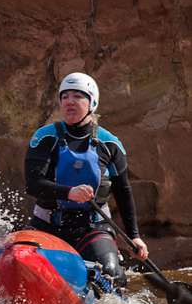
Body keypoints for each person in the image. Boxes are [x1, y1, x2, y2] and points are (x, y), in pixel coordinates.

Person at [24, 72, 149, 292]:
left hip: (91, 228)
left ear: (92, 102)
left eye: (78, 96)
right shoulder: (44, 138)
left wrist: (134, 237)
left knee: (110, 272)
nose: (70, 101)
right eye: (65, 97)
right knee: (21, 261)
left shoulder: (110, 143)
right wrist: (69, 192)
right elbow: (33, 184)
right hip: (47, 227)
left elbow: (123, 190)